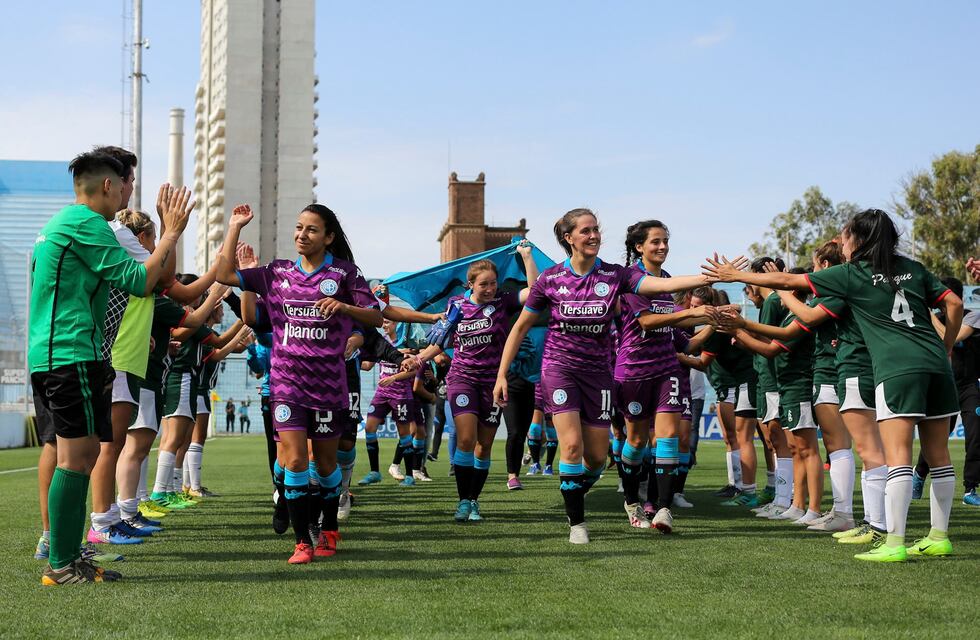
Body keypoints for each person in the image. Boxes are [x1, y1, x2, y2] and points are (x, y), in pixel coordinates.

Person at [706, 209, 963, 562]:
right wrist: (946, 347)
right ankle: (938, 536)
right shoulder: (914, 268)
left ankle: (894, 542)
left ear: (858, 239)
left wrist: (736, 275)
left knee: (898, 457)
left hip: (896, 367)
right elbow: (954, 302)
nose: (841, 243)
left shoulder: (853, 273)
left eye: (844, 237)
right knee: (939, 457)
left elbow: (789, 284)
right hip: (936, 365)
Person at [494, 208, 732, 543]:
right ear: (569, 237)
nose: (594, 236)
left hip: (599, 375)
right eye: (586, 231)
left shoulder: (614, 275)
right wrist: (501, 374)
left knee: (595, 457)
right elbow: (519, 327)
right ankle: (577, 523)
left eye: (596, 230)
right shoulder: (550, 281)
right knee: (572, 446)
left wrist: (710, 279)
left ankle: (579, 488)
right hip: (559, 369)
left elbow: (662, 283)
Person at [30, 151, 188, 585]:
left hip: (54, 353)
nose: (126, 191)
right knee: (78, 459)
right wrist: (171, 233)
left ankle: (63, 551)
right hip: (71, 353)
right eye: (125, 183)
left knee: (71, 456)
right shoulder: (88, 225)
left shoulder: (58, 225)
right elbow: (140, 280)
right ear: (107, 186)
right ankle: (62, 563)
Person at [216, 202, 382, 564]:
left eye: (311, 229)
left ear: (328, 237)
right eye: (298, 228)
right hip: (287, 383)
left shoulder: (345, 274)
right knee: (292, 462)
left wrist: (345, 308)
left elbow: (376, 316)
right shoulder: (277, 273)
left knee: (324, 467)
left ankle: (329, 531)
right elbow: (222, 274)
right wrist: (234, 227)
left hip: (327, 386)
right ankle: (302, 542)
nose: (302, 235)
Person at [407, 245, 539, 521]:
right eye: (484, 284)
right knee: (466, 439)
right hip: (462, 379)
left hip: (493, 383)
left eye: (493, 283)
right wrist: (418, 359)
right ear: (470, 284)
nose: (490, 288)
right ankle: (463, 501)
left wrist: (527, 258)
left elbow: (536, 292)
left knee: (484, 446)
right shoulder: (455, 305)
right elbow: (440, 341)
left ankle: (474, 500)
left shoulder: (503, 303)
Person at [614, 220, 720, 532]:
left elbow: (683, 341)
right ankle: (633, 502)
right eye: (655, 242)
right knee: (635, 442)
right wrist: (694, 313)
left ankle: (662, 509)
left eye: (665, 241)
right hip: (633, 371)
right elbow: (647, 323)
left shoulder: (668, 281)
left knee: (669, 439)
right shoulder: (632, 278)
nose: (662, 247)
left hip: (667, 370)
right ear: (639, 247)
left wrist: (717, 321)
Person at [914, 277, 980, 506]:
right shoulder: (931, 319)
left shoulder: (972, 316)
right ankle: (919, 474)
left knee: (975, 434)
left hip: (969, 386)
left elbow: (950, 337)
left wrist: (929, 316)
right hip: (943, 385)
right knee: (937, 438)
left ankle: (970, 488)